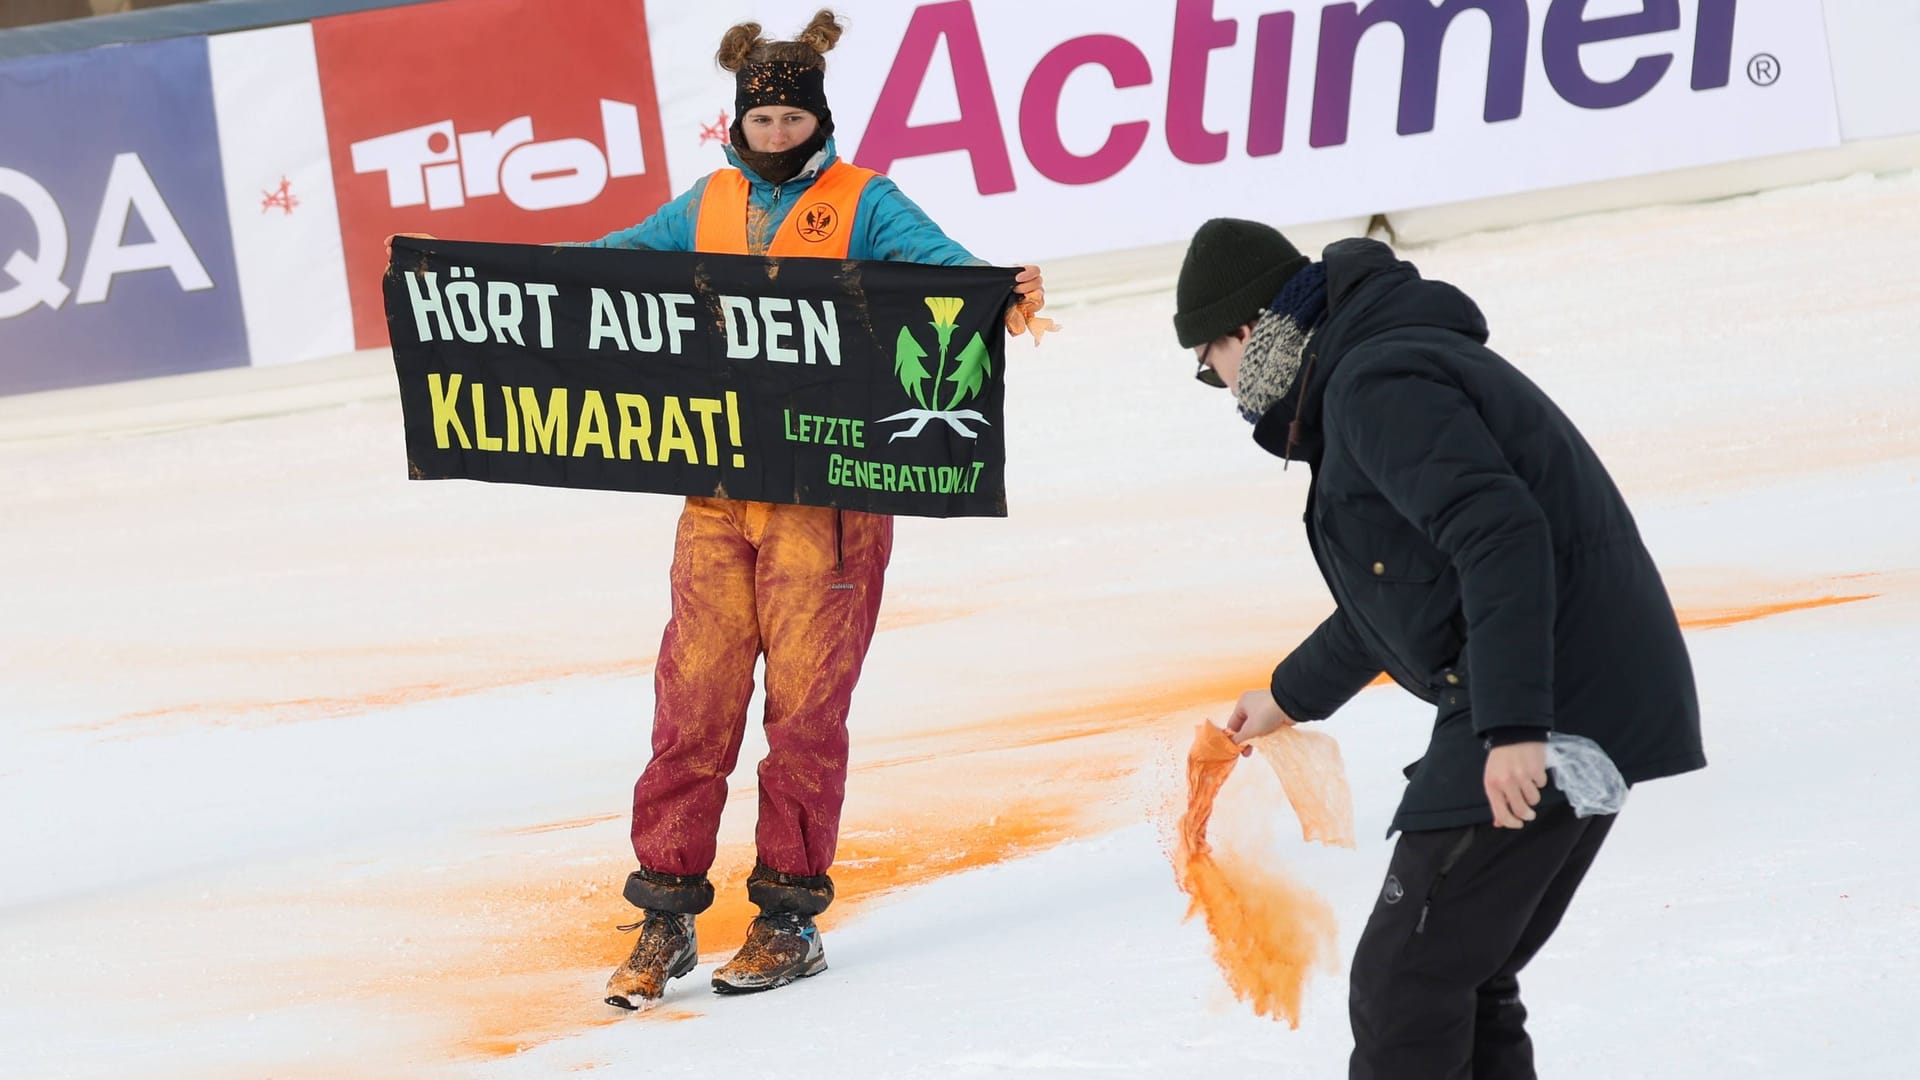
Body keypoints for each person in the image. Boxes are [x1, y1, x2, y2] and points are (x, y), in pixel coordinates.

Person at [581, 10, 1041, 1009]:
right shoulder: (703, 203)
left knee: (804, 716)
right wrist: (479, 282)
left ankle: (787, 917)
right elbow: (604, 265)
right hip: (716, 493)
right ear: (738, 119)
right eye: (765, 116)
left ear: (817, 119)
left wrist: (993, 290)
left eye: (794, 117)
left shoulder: (863, 201)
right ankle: (665, 914)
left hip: (828, 499)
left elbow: (937, 261)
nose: (778, 132)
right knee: (691, 703)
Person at [1173, 218, 1703, 1078]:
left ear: (1245, 331)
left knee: (1407, 983)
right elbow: (1409, 584)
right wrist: (1287, 696)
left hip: (1549, 692)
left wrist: (1515, 728)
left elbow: (1499, 537)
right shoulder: (1364, 372)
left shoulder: (1373, 384)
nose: (1222, 386)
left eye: (1210, 364)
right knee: (1459, 970)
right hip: (1566, 679)